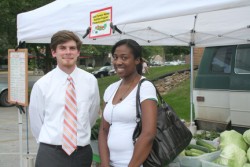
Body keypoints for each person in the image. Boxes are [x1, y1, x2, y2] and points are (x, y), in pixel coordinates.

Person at [29, 30, 100, 167]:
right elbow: (37, 123)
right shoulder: (42, 85)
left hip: (82, 154)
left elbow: (90, 116)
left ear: (78, 52)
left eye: (72, 48)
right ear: (54, 52)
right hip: (51, 154)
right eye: (62, 48)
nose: (68, 52)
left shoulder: (91, 81)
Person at [98, 39, 158, 167]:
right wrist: (104, 163)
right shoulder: (110, 89)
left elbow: (149, 133)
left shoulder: (145, 87)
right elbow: (104, 131)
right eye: (115, 57)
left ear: (137, 60)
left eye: (124, 58)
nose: (118, 62)